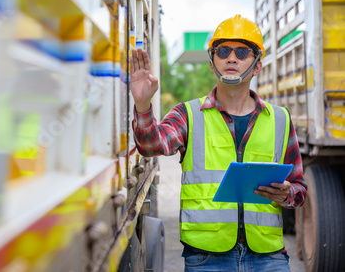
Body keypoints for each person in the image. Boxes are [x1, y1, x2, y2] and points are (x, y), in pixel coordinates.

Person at [130, 14, 307, 271]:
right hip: (207, 258)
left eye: (242, 52)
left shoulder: (280, 119)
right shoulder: (189, 114)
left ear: (257, 65)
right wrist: (142, 104)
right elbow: (150, 146)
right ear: (213, 63)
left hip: (268, 257)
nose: (231, 58)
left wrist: (287, 193)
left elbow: (300, 189)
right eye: (223, 51)